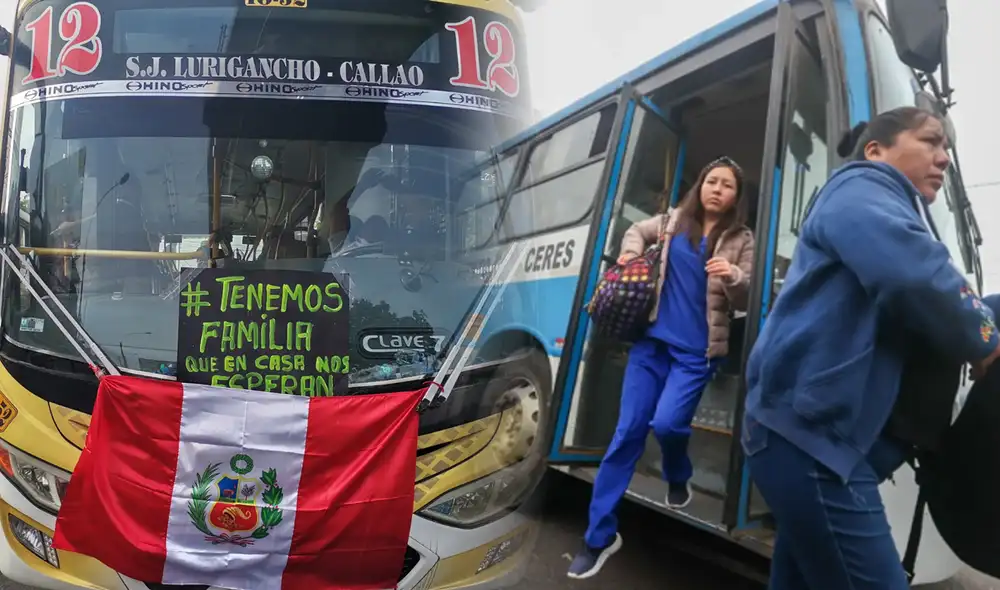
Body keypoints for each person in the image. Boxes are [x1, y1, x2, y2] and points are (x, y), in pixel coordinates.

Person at [741, 106, 1000, 590]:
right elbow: (915, 276)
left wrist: (988, 315)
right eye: (930, 142)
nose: (943, 158)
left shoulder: (897, 213)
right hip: (810, 443)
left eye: (947, 149)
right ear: (875, 150)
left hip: (814, 443)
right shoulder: (861, 186)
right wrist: (984, 341)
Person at [567, 157, 756, 580]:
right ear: (700, 187)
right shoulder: (673, 221)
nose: (717, 189)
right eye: (712, 181)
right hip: (651, 346)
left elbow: (747, 298)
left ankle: (677, 473)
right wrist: (631, 257)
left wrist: (733, 276)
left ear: (736, 198)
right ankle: (597, 537)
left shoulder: (742, 239)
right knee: (627, 433)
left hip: (696, 354)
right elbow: (636, 230)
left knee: (669, 425)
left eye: (728, 185)